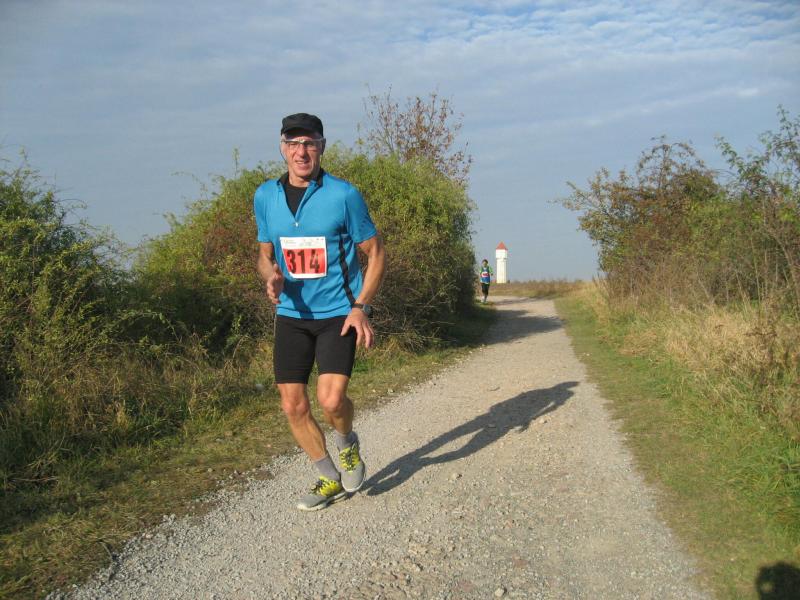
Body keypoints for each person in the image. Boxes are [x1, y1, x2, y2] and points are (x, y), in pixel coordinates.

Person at [254, 113, 386, 511]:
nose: (301, 151)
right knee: (292, 405)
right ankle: (328, 477)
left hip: (337, 314)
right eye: (293, 143)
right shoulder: (265, 196)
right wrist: (271, 277)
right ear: (282, 148)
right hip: (291, 316)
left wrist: (360, 307)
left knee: (331, 402)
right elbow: (264, 255)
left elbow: (376, 253)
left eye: (309, 143)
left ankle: (347, 444)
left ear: (322, 147)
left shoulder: (343, 195)